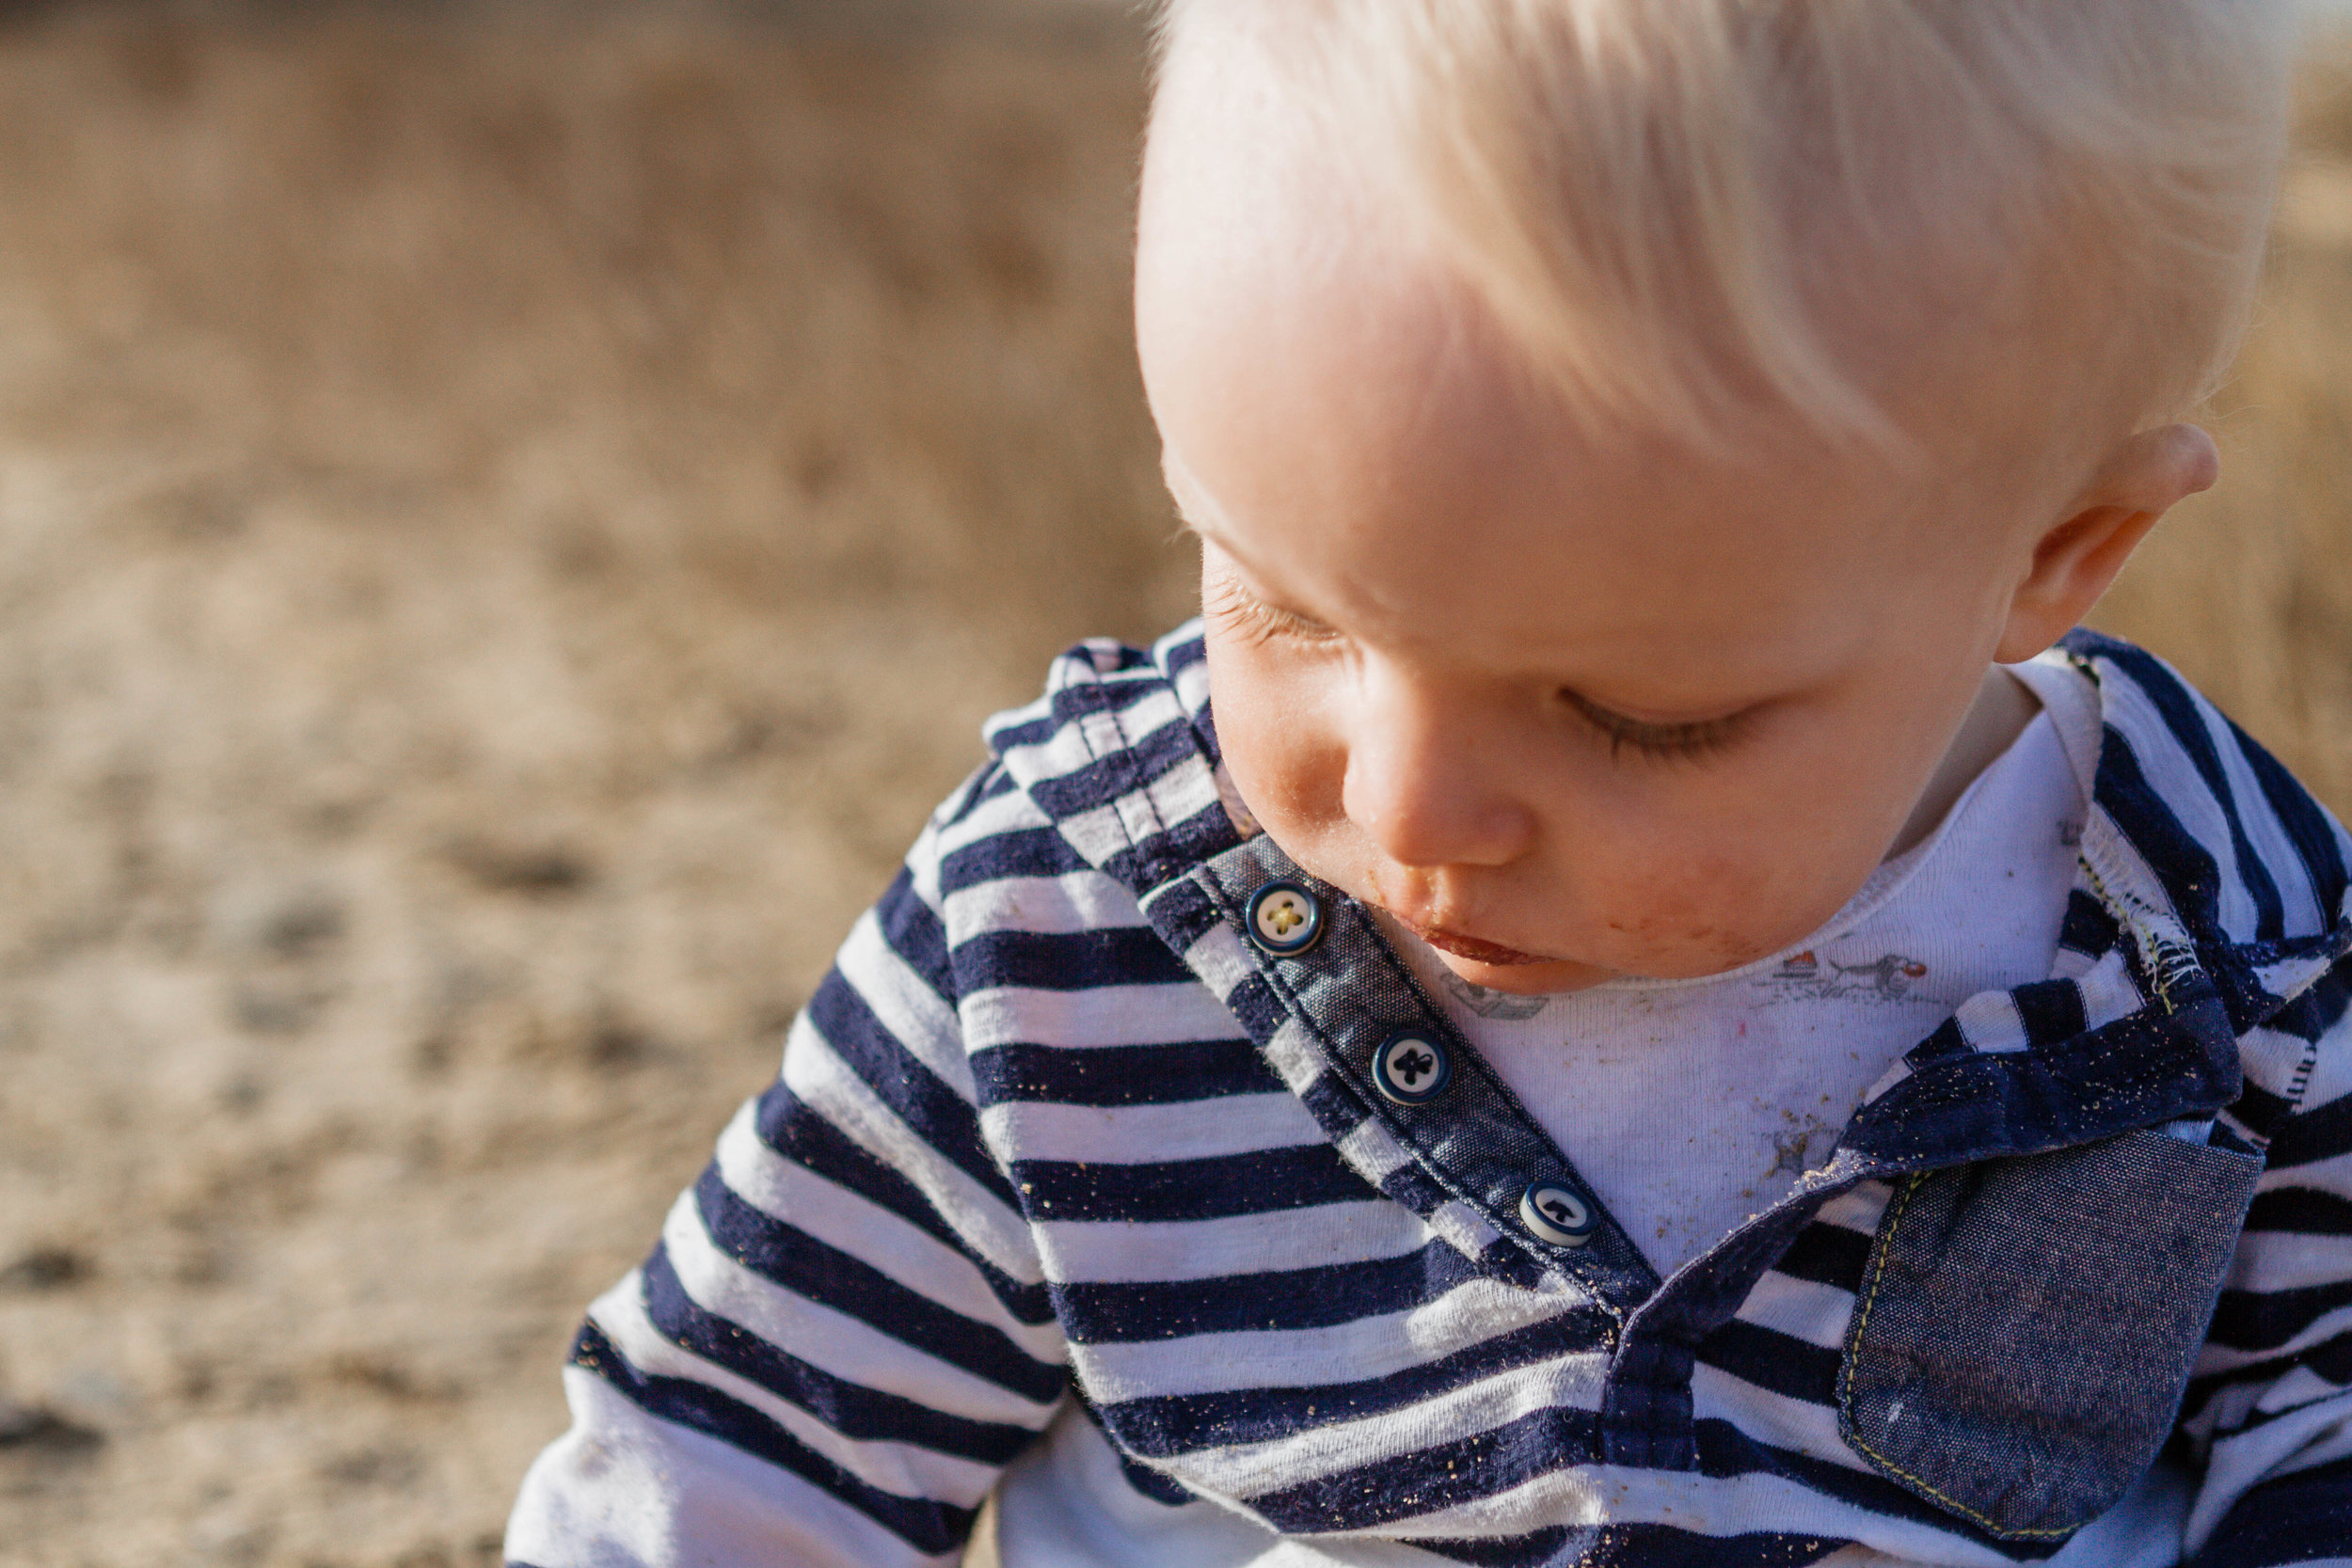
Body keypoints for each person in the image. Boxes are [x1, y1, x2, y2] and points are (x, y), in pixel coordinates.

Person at [503, 3, 2352, 1563]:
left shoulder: (2228, 967)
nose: (1408, 809)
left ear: (2059, 548)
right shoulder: (1074, 920)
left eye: (1634, 716)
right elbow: (738, 1447)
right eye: (1281, 605)